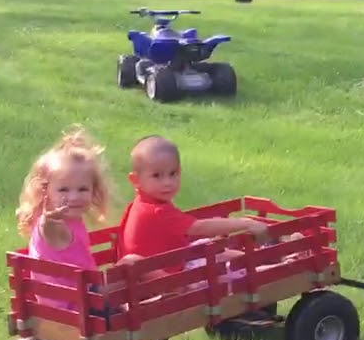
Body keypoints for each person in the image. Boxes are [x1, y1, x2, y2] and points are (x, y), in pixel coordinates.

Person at [118, 135, 270, 284]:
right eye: (157, 176)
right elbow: (199, 227)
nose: (167, 182)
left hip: (166, 265)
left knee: (210, 249)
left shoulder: (140, 204)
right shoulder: (157, 211)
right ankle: (266, 266)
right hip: (171, 278)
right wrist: (246, 223)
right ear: (135, 180)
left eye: (173, 174)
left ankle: (257, 258)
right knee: (224, 269)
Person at [15, 126, 117, 315]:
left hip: (71, 298)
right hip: (77, 304)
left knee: (124, 270)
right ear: (46, 192)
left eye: (82, 189)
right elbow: (49, 229)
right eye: (63, 190)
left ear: (93, 190)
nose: (74, 197)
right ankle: (160, 299)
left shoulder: (71, 221)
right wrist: (47, 220)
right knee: (131, 264)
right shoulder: (55, 226)